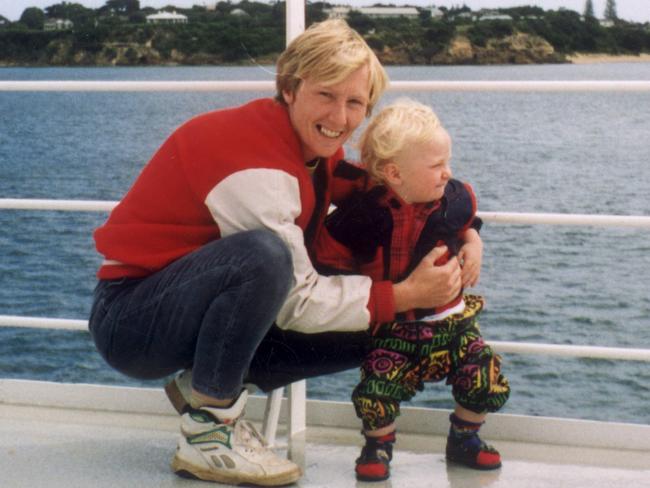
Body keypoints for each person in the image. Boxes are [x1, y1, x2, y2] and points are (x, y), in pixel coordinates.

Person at [88, 20, 465, 487]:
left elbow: (387, 187)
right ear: (290, 88)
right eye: (326, 95)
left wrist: (466, 234)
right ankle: (210, 433)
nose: (341, 116)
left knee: (377, 329)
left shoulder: (313, 149)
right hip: (132, 321)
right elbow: (296, 298)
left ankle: (201, 387)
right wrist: (404, 293)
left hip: (188, 312)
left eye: (355, 102)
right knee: (265, 256)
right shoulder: (254, 159)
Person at [314, 99, 511, 482]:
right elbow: (329, 259)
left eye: (447, 162)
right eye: (436, 165)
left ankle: (464, 437)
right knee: (376, 390)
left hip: (453, 325)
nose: (447, 173)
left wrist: (474, 243)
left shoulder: (450, 200)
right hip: (393, 331)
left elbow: (468, 222)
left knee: (483, 373)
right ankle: (378, 444)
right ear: (394, 173)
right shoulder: (362, 216)